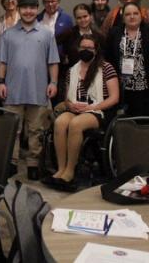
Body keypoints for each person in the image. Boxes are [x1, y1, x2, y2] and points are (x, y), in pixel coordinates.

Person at [0, 0, 60, 180]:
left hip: (38, 90)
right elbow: (2, 61)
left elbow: (53, 62)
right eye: (24, 8)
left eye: (32, 8)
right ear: (19, 9)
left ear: (37, 9)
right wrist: (0, 82)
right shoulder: (8, 34)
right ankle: (12, 163)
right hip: (12, 90)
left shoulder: (47, 33)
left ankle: (33, 164)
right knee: (12, 129)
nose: (29, 11)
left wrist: (53, 82)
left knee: (36, 130)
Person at [45, 34, 119, 191]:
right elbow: (66, 98)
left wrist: (91, 108)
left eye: (89, 48)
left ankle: (70, 171)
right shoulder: (72, 70)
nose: (85, 50)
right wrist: (70, 106)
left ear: (96, 50)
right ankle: (60, 169)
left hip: (98, 111)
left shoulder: (106, 68)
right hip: (76, 108)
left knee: (76, 124)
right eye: (83, 47)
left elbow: (114, 98)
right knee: (60, 122)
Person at [105, 2, 149, 117]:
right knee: (127, 119)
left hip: (146, 85)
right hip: (123, 86)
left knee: (146, 118)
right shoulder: (114, 33)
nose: (132, 16)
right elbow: (108, 57)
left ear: (141, 15)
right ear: (123, 17)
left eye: (135, 13)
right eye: (128, 14)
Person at [55, 4, 106, 99]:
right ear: (75, 19)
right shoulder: (69, 33)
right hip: (73, 78)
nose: (83, 20)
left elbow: (104, 56)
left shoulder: (99, 36)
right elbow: (52, 44)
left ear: (90, 16)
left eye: (85, 16)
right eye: (79, 18)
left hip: (95, 77)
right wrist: (62, 57)